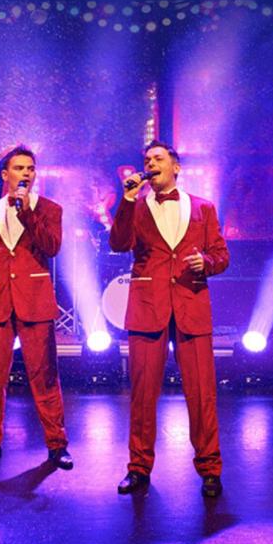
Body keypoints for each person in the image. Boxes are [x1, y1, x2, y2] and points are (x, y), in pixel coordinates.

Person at [109, 140, 230, 497]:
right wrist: (128, 199)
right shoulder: (136, 206)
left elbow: (221, 255)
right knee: (142, 393)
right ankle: (138, 468)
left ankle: (210, 469)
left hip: (191, 303)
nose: (150, 163)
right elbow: (118, 243)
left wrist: (205, 263)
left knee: (202, 392)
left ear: (175, 167)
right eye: (147, 159)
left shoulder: (203, 208)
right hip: (149, 305)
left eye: (158, 159)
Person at [0, 145, 72, 470]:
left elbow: (52, 247)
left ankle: (57, 445)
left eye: (30, 168)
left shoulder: (49, 209)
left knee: (44, 376)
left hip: (35, 302)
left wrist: (27, 212)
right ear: (5, 174)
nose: (26, 173)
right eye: (19, 168)